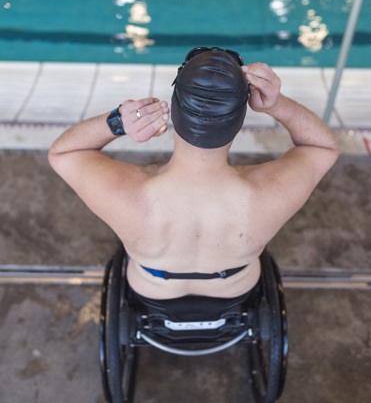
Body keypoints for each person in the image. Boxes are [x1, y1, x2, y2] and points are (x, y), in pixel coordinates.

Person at [48, 47, 339, 300]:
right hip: (234, 290)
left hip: (153, 290)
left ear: (173, 112)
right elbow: (323, 146)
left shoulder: (127, 195)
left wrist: (118, 122)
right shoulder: (267, 195)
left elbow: (63, 153)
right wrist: (278, 105)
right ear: (240, 121)